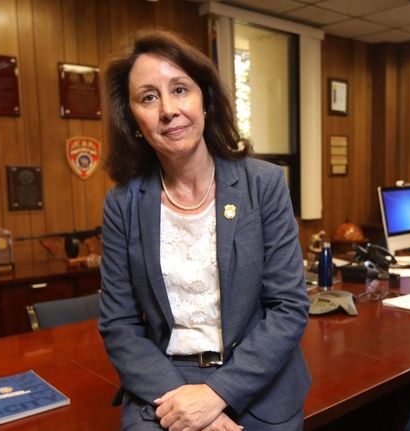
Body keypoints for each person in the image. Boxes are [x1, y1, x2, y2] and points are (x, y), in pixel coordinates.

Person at [98, 29, 311, 431]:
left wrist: (217, 395)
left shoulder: (263, 184)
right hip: (163, 385)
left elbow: (289, 308)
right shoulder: (123, 204)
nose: (168, 110)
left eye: (180, 89)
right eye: (148, 97)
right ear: (133, 120)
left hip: (257, 380)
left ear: (205, 100)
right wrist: (186, 405)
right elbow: (119, 325)